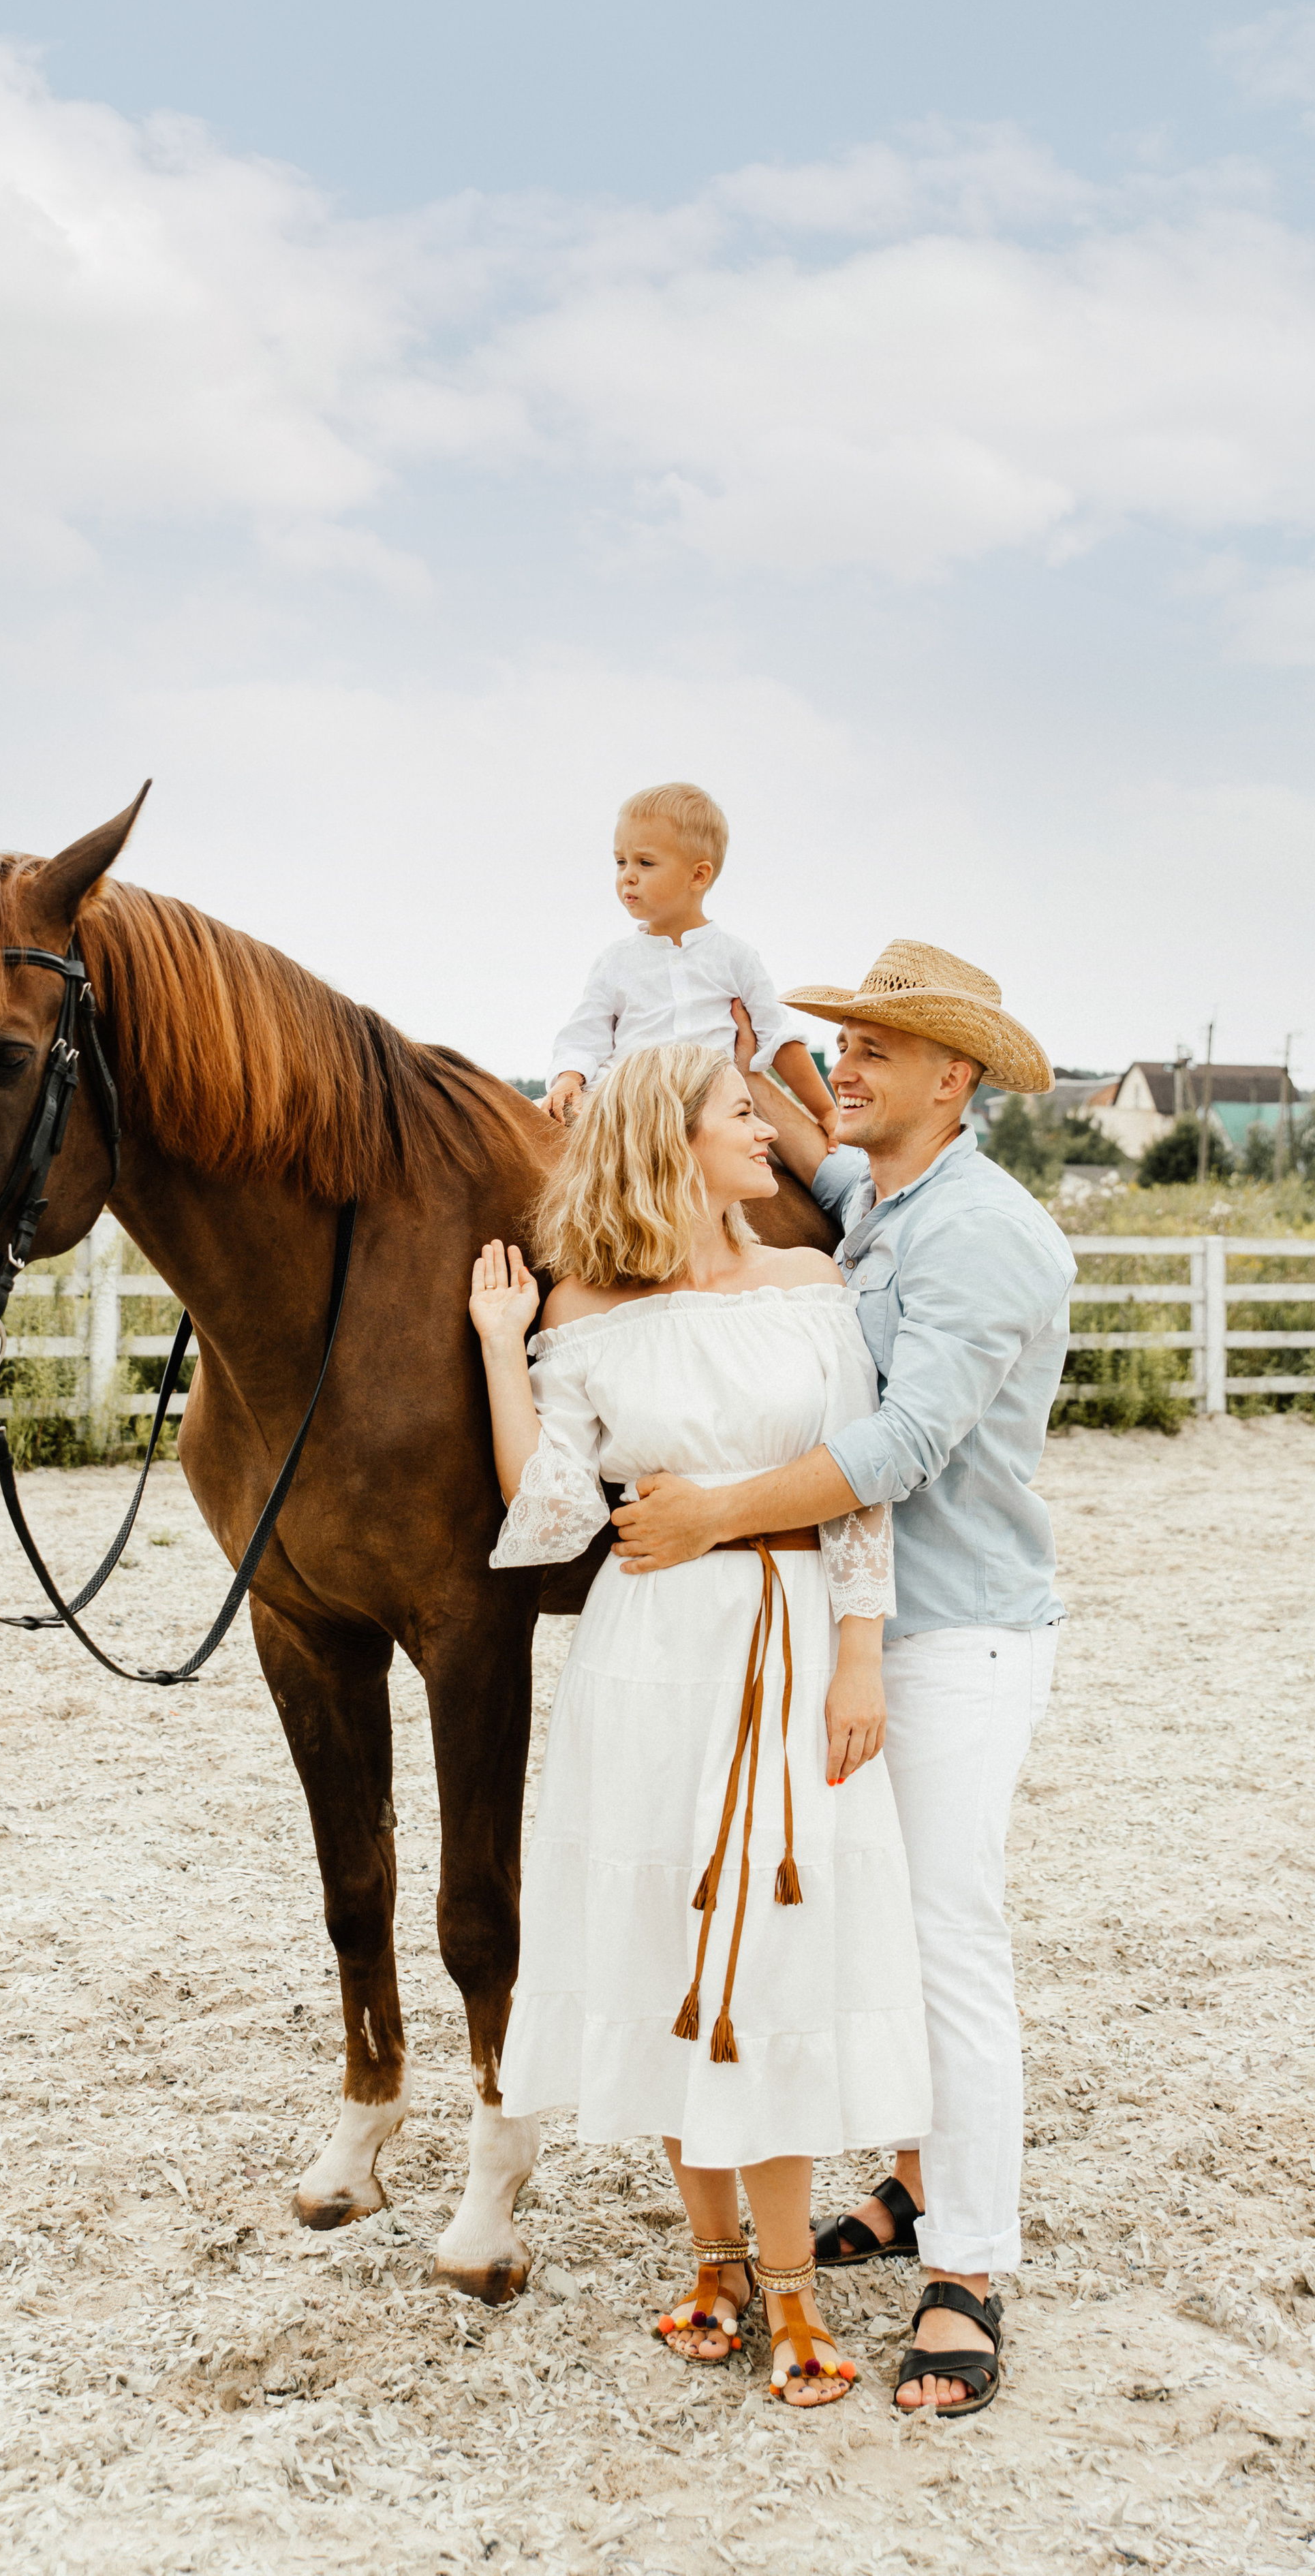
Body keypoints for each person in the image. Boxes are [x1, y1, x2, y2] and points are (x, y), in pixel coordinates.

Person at [610, 941, 1073, 2419]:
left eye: (875, 1048)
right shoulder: (884, 1197)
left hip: (950, 1631)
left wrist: (712, 1515)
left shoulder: (983, 1235)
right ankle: (914, 2187)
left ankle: (970, 2268)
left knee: (944, 1939)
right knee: (872, 1931)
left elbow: (902, 1446)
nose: (845, 1067)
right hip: (854, 1626)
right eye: (843, 1044)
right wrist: (739, 1053)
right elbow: (804, 1148)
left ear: (955, 1077)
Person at [469, 1043, 931, 2407]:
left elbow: (857, 1486)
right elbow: (552, 1515)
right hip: (648, 1658)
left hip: (790, 1642)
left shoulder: (809, 1285)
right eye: (742, 1113)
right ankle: (714, 2267)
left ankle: (793, 2295)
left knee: (773, 1958)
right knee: (667, 1946)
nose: (768, 1134)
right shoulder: (585, 1307)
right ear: (668, 1137)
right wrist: (502, 1348)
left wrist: (860, 1658)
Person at [541, 783, 840, 1145]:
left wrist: (826, 1111)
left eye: (645, 863)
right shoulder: (614, 961)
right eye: (621, 862)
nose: (627, 876)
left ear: (698, 876)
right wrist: (569, 1078)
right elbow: (585, 1036)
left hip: (709, 1102)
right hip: (626, 1101)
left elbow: (778, 1040)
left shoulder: (736, 957)